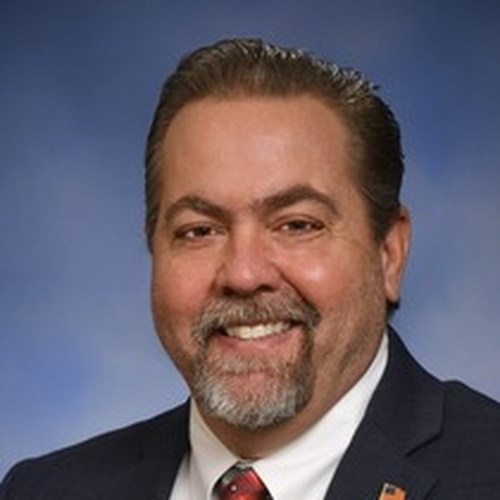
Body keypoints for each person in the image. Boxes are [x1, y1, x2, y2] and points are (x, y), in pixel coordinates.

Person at [1, 38, 499, 500]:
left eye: (297, 225)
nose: (243, 274)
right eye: (199, 230)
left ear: (389, 253)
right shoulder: (42, 490)